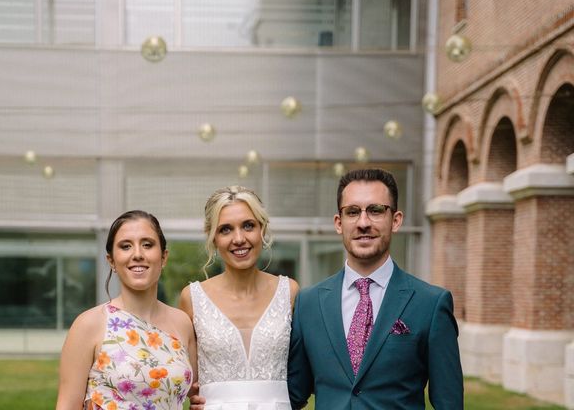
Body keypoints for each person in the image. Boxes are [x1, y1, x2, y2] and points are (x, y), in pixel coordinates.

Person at [287, 168, 463, 409]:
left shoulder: (431, 304)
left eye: (375, 210)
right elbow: (292, 395)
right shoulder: (308, 304)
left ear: (396, 220)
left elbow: (449, 402)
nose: (363, 223)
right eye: (352, 212)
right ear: (339, 223)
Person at [56, 210, 197, 410]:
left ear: (164, 257)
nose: (137, 254)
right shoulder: (89, 324)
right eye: (125, 246)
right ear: (111, 260)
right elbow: (67, 406)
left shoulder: (182, 323)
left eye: (147, 245)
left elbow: (195, 395)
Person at [179, 185, 300, 409]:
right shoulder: (192, 298)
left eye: (248, 226)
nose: (239, 238)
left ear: (262, 229)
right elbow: (186, 381)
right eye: (225, 229)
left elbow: (304, 369)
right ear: (213, 237)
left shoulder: (290, 292)